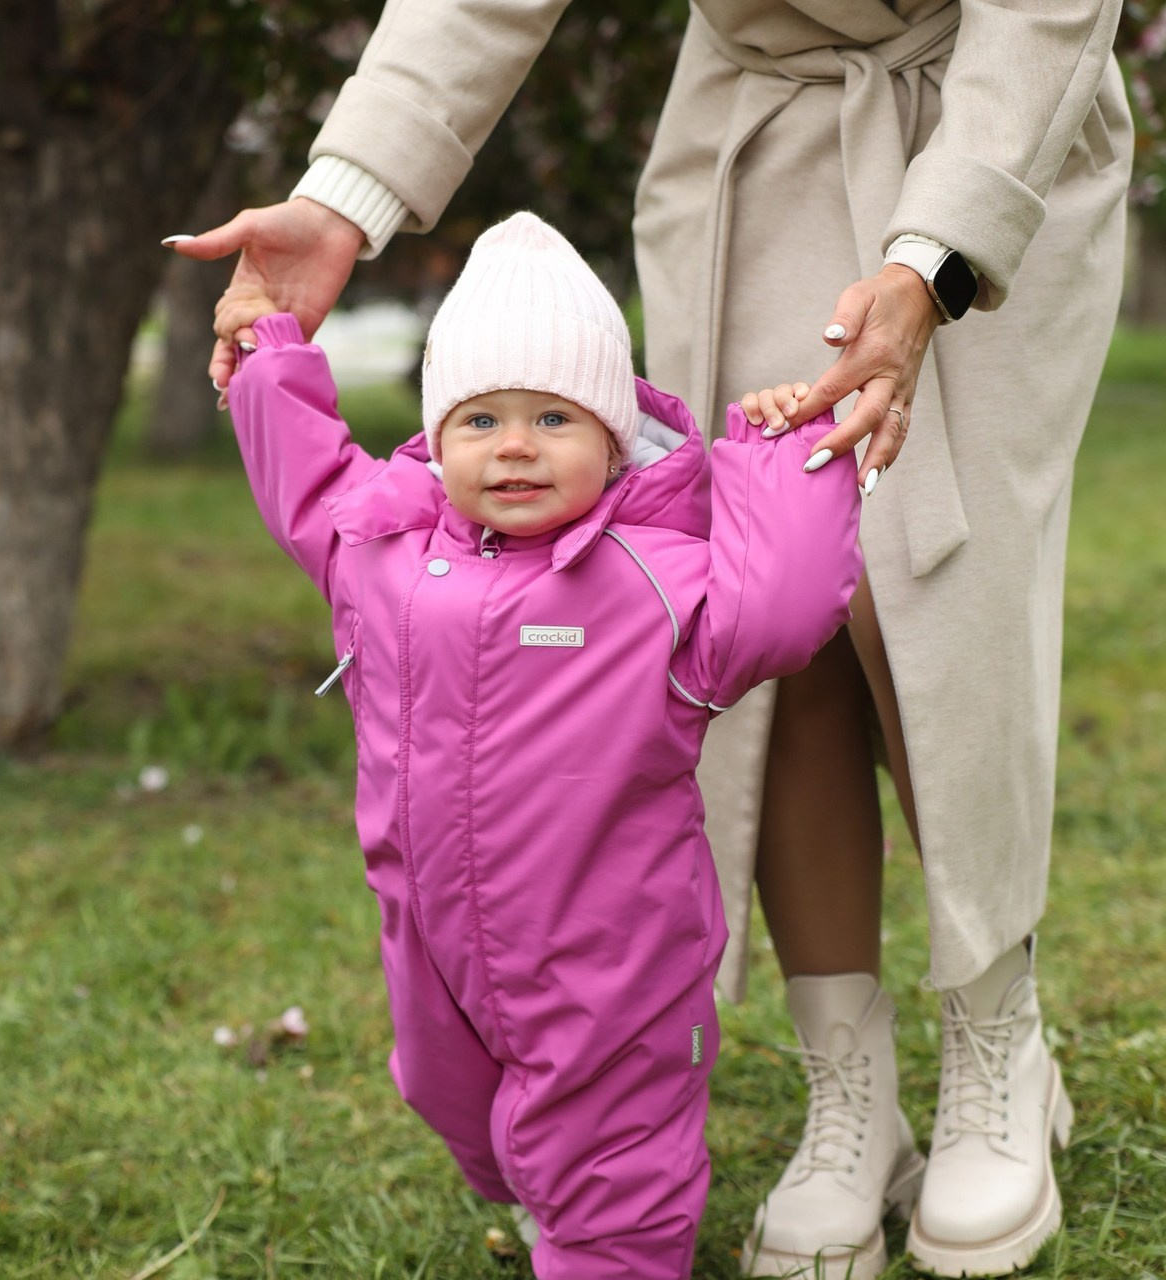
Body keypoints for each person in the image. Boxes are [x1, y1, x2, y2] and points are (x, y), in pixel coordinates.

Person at [166, 3, 1132, 1275]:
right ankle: (847, 1072)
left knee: (940, 603)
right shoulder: (388, 541)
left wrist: (937, 256)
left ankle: (992, 1033)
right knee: (772, 631)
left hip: (995, 121)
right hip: (754, 133)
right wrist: (343, 200)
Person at [215, 210, 862, 1280]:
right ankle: (527, 1180)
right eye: (480, 419)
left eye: (553, 415)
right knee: (446, 1088)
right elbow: (308, 484)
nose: (514, 445)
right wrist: (270, 353)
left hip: (607, 959)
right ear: (436, 437)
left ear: (612, 438)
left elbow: (780, 610)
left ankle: (601, 1240)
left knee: (609, 1157)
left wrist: (780, 452)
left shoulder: (653, 575)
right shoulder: (383, 543)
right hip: (431, 941)